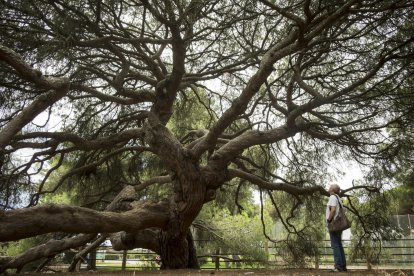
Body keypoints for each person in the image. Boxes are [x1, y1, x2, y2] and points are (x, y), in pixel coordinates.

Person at [326, 183, 347, 272]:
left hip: (334, 224)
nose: (329, 187)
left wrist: (329, 220)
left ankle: (338, 266)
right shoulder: (338, 198)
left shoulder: (332, 197)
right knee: (339, 244)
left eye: (330, 187)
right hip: (339, 225)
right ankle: (342, 266)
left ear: (333, 190)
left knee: (335, 245)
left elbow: (333, 209)